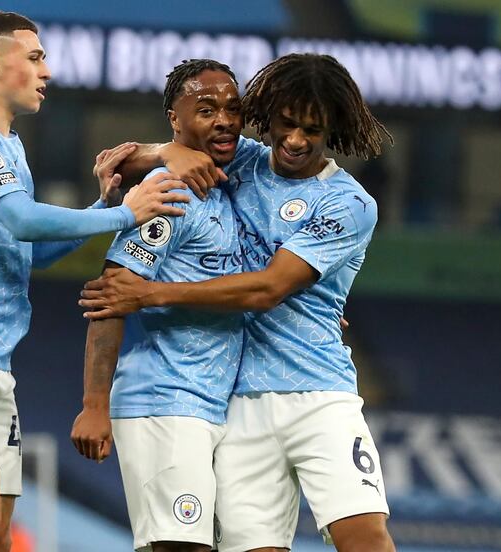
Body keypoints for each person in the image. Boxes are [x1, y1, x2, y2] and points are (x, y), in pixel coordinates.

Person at [0, 11, 190, 552]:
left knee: (0, 535)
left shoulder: (10, 149)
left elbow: (31, 252)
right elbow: (22, 220)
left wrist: (103, 204)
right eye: (35, 58)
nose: (46, 72)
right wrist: (124, 216)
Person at [80, 53, 396, 552]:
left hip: (320, 394)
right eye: (286, 124)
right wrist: (166, 152)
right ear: (266, 118)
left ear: (332, 128)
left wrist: (150, 294)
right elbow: (124, 159)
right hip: (241, 404)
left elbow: (268, 288)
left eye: (311, 130)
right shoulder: (243, 160)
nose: (295, 140)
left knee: (363, 536)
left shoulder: (348, 203)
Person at [70, 59, 245, 552]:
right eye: (206, 109)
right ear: (175, 118)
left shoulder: (233, 185)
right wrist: (93, 406)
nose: (224, 120)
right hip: (164, 400)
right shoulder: (169, 192)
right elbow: (114, 292)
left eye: (233, 108)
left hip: (216, 404)